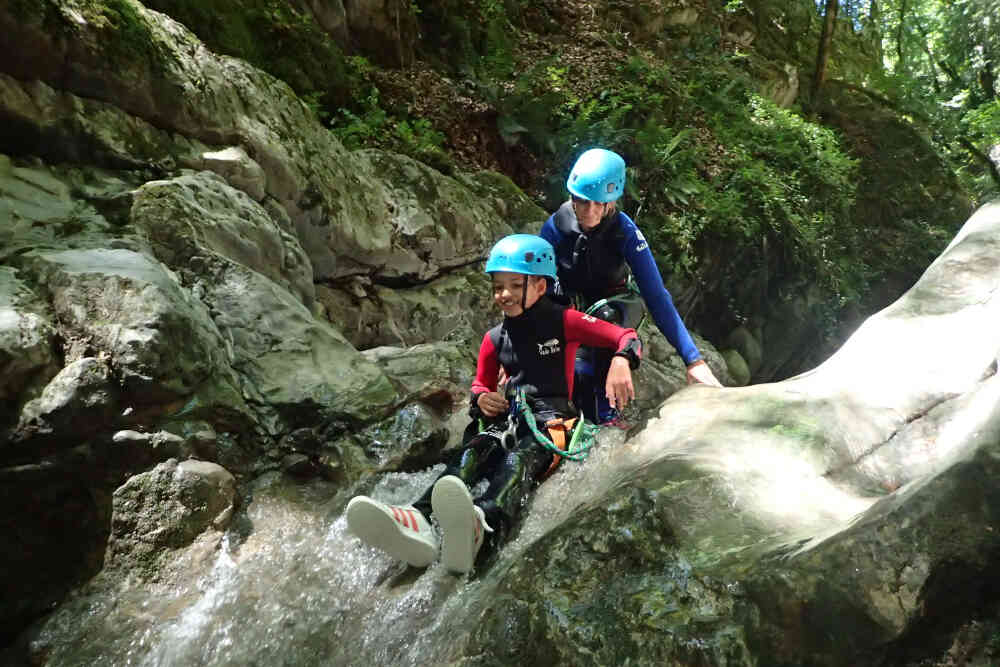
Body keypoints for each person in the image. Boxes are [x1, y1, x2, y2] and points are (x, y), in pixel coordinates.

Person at [346, 234, 642, 574]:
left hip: (555, 423)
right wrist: (482, 399)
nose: (504, 294)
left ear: (541, 287)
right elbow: (481, 385)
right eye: (498, 286)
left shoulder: (564, 321)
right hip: (510, 418)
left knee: (518, 461)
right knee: (472, 453)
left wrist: (621, 360)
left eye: (516, 285)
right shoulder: (494, 339)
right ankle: (418, 517)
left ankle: (485, 521)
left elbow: (624, 336)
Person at [540, 147, 721, 424]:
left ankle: (606, 412)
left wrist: (693, 360)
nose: (590, 212)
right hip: (574, 300)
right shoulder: (556, 226)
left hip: (617, 307)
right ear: (572, 196)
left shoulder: (625, 232)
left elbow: (657, 296)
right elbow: (535, 286)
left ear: (611, 202)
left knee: (606, 319)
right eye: (583, 201)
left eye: (599, 204)